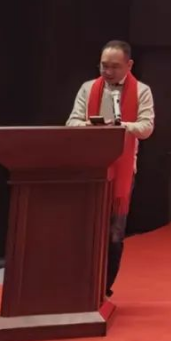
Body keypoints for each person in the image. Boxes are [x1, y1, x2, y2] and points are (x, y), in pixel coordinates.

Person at [66, 40, 154, 297]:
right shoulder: (88, 88)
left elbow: (146, 127)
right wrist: (92, 127)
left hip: (122, 171)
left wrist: (120, 127)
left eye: (114, 67)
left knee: (114, 233)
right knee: (85, 229)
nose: (108, 71)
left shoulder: (142, 91)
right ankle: (80, 285)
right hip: (88, 168)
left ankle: (104, 287)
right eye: (104, 65)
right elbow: (72, 122)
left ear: (129, 65)